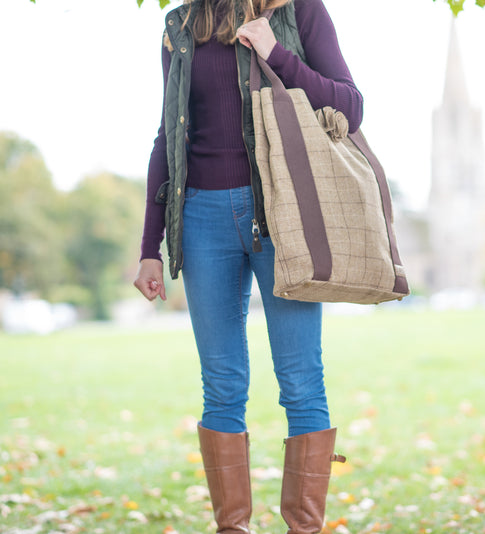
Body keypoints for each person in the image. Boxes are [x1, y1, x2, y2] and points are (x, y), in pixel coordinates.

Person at [133, 0, 361, 532]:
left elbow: (350, 106)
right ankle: (231, 527)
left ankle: (304, 527)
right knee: (222, 384)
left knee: (302, 381)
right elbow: (170, 134)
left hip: (283, 217)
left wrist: (276, 52)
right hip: (202, 219)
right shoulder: (181, 24)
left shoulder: (299, 11)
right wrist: (151, 244)